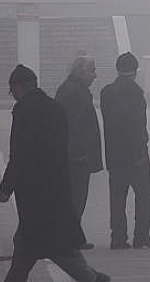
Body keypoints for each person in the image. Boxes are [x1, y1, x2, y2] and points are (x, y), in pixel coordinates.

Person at [0, 65, 109, 282]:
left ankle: (94, 279)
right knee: (51, 246)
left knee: (44, 247)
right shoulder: (54, 107)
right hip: (56, 187)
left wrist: (5, 187)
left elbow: (20, 153)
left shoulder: (24, 111)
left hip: (33, 191)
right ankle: (93, 279)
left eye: (13, 92)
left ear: (18, 88)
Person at [100, 52, 150, 250]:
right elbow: (137, 125)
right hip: (135, 155)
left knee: (117, 198)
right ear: (135, 71)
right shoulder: (135, 93)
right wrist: (140, 152)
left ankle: (118, 237)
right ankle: (141, 236)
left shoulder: (106, 93)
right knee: (144, 196)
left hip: (114, 154)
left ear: (118, 69)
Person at [54, 56, 104, 251]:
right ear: (81, 72)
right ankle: (71, 238)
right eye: (92, 70)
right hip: (75, 157)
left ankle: (71, 235)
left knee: (75, 197)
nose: (95, 75)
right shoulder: (73, 93)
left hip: (74, 154)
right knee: (76, 196)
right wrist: (78, 152)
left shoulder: (73, 90)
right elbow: (73, 126)